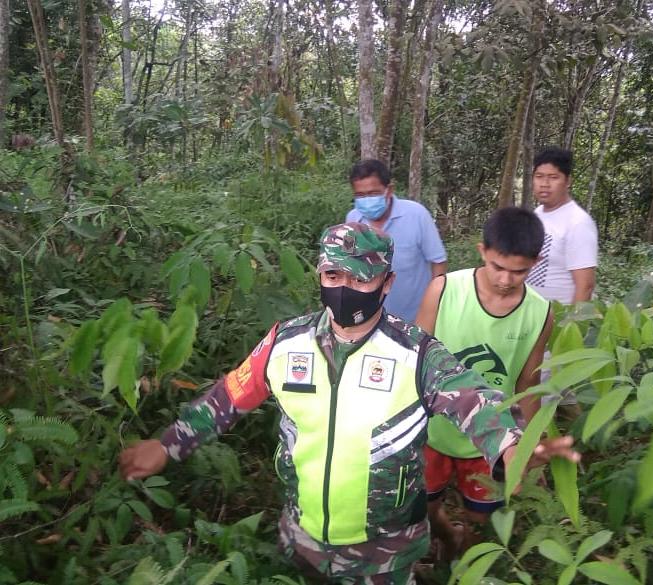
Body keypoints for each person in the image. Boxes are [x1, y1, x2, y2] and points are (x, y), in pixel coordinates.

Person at [119, 222, 579, 585]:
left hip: (386, 551)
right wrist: (169, 444)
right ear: (319, 275)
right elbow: (228, 396)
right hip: (303, 538)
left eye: (361, 277)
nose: (344, 287)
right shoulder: (285, 342)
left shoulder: (416, 353)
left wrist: (511, 445)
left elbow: (473, 399)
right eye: (332, 275)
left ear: (386, 282)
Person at [414, 207, 553, 560]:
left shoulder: (539, 312)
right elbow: (413, 362)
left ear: (535, 263)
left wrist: (529, 444)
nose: (506, 279)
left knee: (480, 518)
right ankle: (448, 540)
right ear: (482, 252)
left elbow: (528, 381)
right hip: (434, 433)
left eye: (518, 271)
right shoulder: (443, 290)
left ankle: (465, 563)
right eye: (498, 267)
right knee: (424, 512)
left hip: (491, 440)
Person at [345, 159, 447, 322]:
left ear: (389, 190)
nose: (366, 200)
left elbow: (438, 262)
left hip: (415, 317)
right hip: (372, 318)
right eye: (360, 195)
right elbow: (349, 262)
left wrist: (436, 306)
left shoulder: (417, 215)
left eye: (373, 194)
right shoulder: (353, 219)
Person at [525, 147, 598, 304]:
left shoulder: (578, 222)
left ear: (568, 181)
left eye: (553, 177)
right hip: (531, 314)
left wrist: (572, 324)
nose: (544, 184)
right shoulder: (538, 214)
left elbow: (585, 285)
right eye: (539, 176)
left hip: (558, 318)